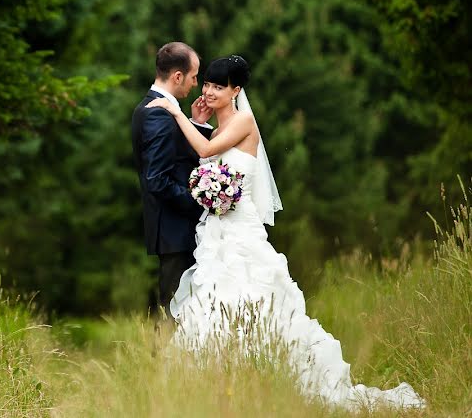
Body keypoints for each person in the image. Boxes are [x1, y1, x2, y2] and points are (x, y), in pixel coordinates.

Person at [147, 54, 425, 411]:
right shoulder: (217, 129)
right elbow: (207, 151)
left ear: (236, 90)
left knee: (255, 298)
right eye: (207, 84)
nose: (210, 91)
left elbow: (204, 151)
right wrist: (198, 123)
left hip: (241, 231)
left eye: (219, 86)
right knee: (215, 302)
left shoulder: (244, 122)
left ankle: (275, 379)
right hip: (216, 233)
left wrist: (176, 114)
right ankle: (225, 388)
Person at [131, 42, 213, 318]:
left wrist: (196, 123)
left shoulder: (157, 109)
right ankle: (159, 362)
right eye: (193, 76)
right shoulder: (158, 113)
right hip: (175, 228)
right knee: (173, 312)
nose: (196, 84)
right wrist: (198, 203)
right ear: (178, 76)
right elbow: (157, 179)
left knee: (183, 310)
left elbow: (177, 157)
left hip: (175, 228)